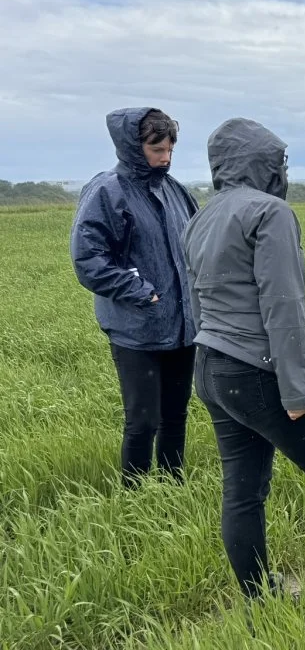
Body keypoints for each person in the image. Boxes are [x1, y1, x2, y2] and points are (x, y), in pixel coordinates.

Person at [183, 118, 305, 600]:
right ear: (263, 163)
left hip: (211, 367)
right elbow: (283, 304)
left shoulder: (202, 216)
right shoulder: (270, 212)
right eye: (279, 161)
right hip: (257, 369)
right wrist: (298, 389)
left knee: (243, 490)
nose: (284, 171)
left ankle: (259, 599)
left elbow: (197, 299)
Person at [70, 107, 198, 487]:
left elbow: (196, 248)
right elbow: (88, 258)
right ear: (132, 145)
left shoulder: (176, 191)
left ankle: (174, 489)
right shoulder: (107, 191)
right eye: (157, 149)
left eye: (170, 150)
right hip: (135, 328)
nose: (165, 158)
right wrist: (142, 292)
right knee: (142, 420)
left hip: (183, 327)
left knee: (176, 416)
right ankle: (135, 499)